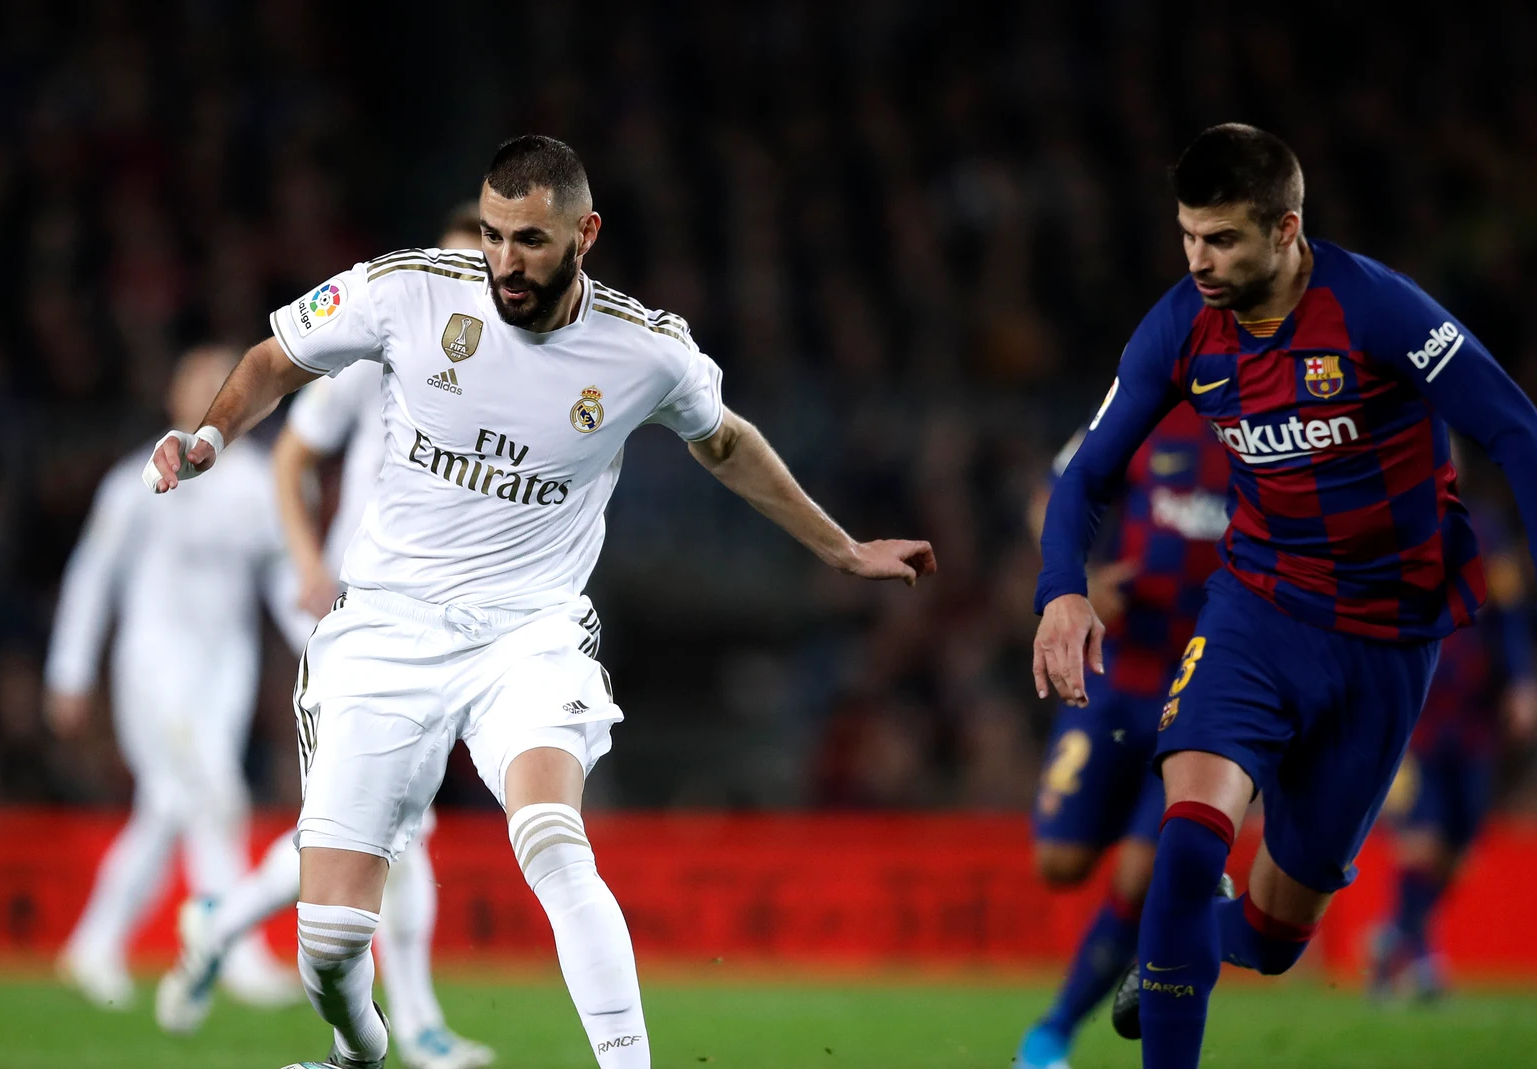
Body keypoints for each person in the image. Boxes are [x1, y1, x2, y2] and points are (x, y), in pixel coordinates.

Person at [143, 135, 935, 1069]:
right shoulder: (408, 290)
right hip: (387, 626)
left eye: (529, 239)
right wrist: (206, 436)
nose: (505, 262)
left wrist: (839, 547)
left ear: (584, 233)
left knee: (554, 839)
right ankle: (360, 1053)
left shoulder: (646, 350)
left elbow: (726, 443)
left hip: (530, 631)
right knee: (327, 947)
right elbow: (276, 361)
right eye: (492, 235)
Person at [1032, 124, 1537, 1069]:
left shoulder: (1378, 311)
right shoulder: (1179, 326)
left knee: (1272, 935)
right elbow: (1086, 472)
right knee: (1184, 845)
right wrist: (1061, 590)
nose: (1198, 261)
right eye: (1187, 235)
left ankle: (1195, 940)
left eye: (1222, 240)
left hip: (1389, 640)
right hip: (1258, 613)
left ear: (1287, 229)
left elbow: (1523, 438)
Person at [154, 203, 494, 1069]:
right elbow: (293, 458)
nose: (468, 285)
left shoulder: (509, 370)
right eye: (451, 264)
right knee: (390, 827)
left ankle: (220, 920)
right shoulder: (380, 350)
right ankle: (415, 1025)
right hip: (362, 609)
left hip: (444, 619)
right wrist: (307, 562)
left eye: (479, 268)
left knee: (373, 823)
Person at [46, 346, 306, 1011]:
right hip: (152, 668)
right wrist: (69, 670)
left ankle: (93, 948)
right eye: (196, 385)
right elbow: (91, 576)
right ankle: (237, 952)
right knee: (214, 796)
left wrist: (323, 645)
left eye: (222, 386)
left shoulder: (256, 485)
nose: (209, 397)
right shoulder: (138, 478)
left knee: (168, 805)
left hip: (225, 674)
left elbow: (284, 581)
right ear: (172, 397)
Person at [1015, 406, 1230, 1069]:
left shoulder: (1271, 432)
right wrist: (1077, 580)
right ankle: (1194, 897)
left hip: (1203, 688)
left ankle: (1050, 1033)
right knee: (1060, 862)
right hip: (1116, 673)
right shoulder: (1147, 413)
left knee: (1140, 876)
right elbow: (1050, 495)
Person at [1367, 494, 1537, 1000]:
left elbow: (1508, 615)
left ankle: (1396, 937)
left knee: (1459, 845)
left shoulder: (1485, 533)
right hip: (1412, 718)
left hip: (1473, 720)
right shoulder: (1383, 525)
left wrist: (1523, 681)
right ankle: (1421, 957)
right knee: (1421, 836)